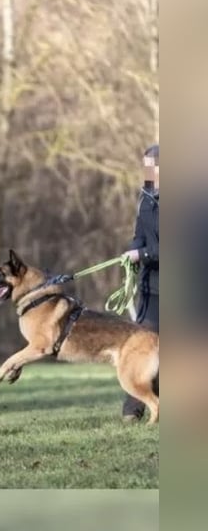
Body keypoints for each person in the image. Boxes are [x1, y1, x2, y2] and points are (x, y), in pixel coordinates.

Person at [121, 144, 159, 422]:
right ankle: (132, 410)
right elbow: (140, 235)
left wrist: (142, 254)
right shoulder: (145, 197)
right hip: (150, 286)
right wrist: (133, 252)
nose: (148, 171)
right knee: (140, 346)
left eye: (152, 166)